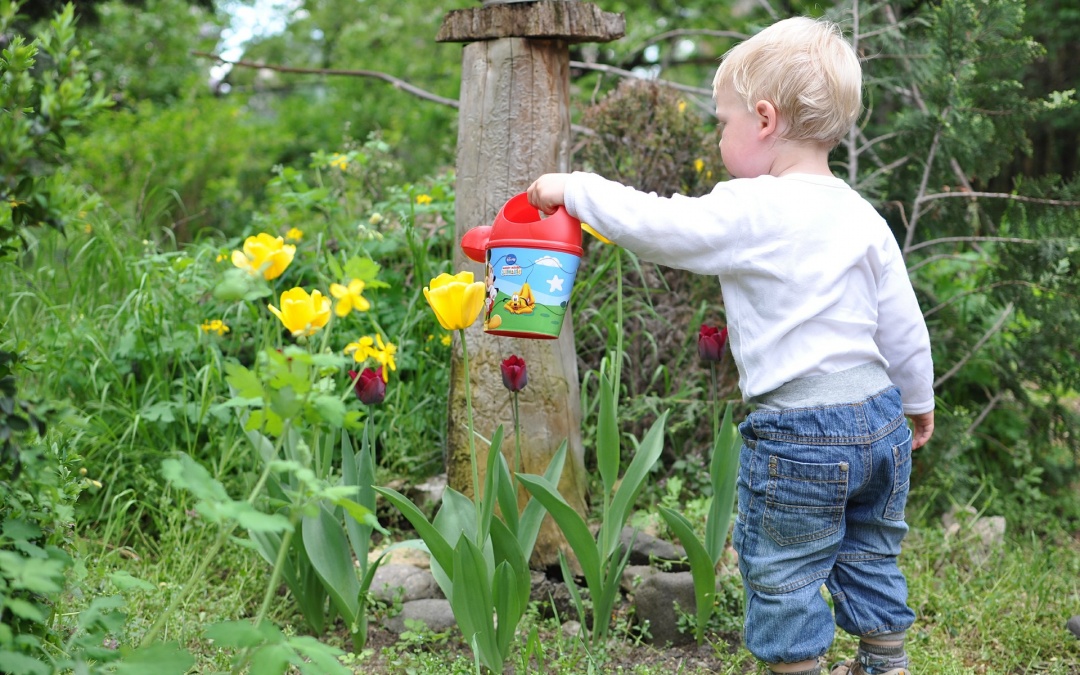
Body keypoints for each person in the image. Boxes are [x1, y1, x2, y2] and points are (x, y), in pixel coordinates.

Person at [527, 15, 934, 675]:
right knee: (870, 551)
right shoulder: (862, 214)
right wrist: (917, 399)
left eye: (723, 121)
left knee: (785, 566)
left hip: (801, 430)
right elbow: (902, 321)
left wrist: (573, 189)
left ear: (765, 120)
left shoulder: (753, 207)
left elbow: (658, 223)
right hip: (879, 417)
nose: (719, 135)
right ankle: (886, 661)